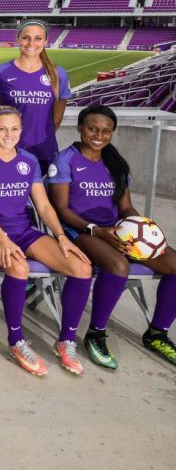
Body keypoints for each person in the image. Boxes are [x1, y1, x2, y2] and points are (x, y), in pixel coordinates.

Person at [0, 106, 92, 376]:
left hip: (23, 229)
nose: (8, 134)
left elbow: (44, 206)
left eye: (14, 129)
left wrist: (61, 236)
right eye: (2, 129)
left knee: (81, 268)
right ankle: (16, 340)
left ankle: (66, 340)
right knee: (19, 267)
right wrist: (2, 240)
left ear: (21, 130)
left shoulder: (29, 160)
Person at [48, 105, 176, 368]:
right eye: (93, 129)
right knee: (118, 265)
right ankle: (96, 333)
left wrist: (140, 229)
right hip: (79, 230)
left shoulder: (115, 162)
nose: (99, 135)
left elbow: (126, 207)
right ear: (81, 128)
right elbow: (61, 209)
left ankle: (157, 333)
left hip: (115, 229)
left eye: (106, 131)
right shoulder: (65, 160)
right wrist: (95, 230)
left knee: (174, 264)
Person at [0, 20, 70, 176]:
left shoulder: (58, 74)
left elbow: (57, 117)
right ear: (18, 39)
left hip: (44, 150)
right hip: (8, 150)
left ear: (45, 41)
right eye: (26, 38)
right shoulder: (0, 72)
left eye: (38, 38)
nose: (31, 43)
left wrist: (41, 135)